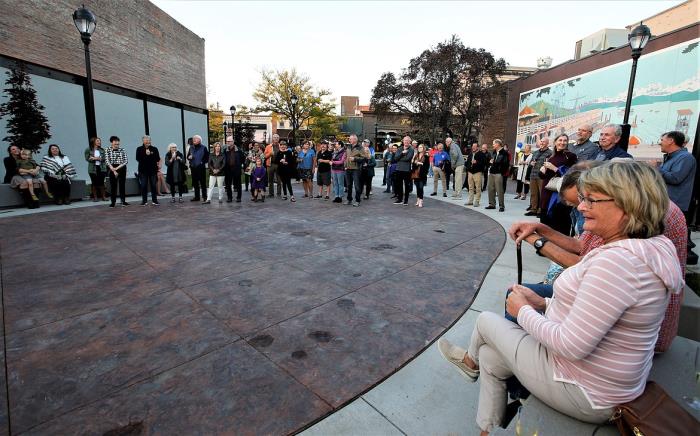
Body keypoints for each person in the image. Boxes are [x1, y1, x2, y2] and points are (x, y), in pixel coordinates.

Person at [439, 160, 684, 434]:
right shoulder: (647, 248)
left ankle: (469, 363)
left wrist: (522, 310)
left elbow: (571, 345)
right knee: (490, 357)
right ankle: (486, 428)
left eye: (591, 200)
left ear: (626, 205)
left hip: (587, 390)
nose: (581, 207)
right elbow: (598, 312)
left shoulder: (618, 262)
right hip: (604, 381)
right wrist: (543, 303)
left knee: (485, 321)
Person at [657, 130, 697, 263]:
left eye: (662, 140)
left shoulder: (686, 158)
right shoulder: (670, 156)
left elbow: (676, 178)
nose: (659, 143)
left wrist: (657, 169)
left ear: (671, 141)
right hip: (666, 203)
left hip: (676, 205)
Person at [538, 134, 577, 232]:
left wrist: (554, 168)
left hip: (558, 195)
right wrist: (542, 171)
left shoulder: (570, 156)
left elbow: (571, 176)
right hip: (546, 192)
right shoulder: (550, 156)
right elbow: (543, 176)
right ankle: (543, 245)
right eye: (560, 140)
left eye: (565, 141)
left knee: (558, 226)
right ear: (555, 142)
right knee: (544, 223)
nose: (562, 143)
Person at [525, 137, 552, 216]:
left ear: (547, 143)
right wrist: (531, 163)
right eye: (541, 141)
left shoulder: (550, 153)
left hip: (542, 176)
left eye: (544, 142)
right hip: (533, 175)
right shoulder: (535, 152)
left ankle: (540, 210)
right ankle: (533, 209)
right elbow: (530, 163)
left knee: (542, 194)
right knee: (533, 193)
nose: (542, 143)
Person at [135, 136, 161, 206]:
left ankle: (154, 200)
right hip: (143, 171)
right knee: (143, 185)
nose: (147, 142)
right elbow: (138, 158)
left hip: (153, 170)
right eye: (146, 140)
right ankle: (144, 201)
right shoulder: (139, 149)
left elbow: (157, 158)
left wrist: (150, 155)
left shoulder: (154, 149)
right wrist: (145, 154)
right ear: (143, 141)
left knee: (153, 185)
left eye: (149, 140)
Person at [485, 139, 509, 212]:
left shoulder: (504, 153)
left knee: (499, 190)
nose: (493, 145)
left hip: (499, 173)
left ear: (498, 144)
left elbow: (506, 165)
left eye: (493, 144)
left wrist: (501, 172)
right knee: (490, 189)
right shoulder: (494, 152)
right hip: (491, 172)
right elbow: (491, 161)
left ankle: (501, 206)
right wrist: (490, 163)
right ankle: (492, 204)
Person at [105, 136, 129, 207]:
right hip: (112, 167)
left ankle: (123, 201)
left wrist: (117, 168)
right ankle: (113, 202)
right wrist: (114, 170)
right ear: (111, 143)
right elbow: (107, 161)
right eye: (115, 144)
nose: (117, 145)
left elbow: (125, 161)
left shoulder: (122, 149)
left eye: (118, 144)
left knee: (122, 185)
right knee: (113, 186)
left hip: (121, 167)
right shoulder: (107, 150)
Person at [345, 134, 367, 207]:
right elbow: (346, 156)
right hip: (348, 169)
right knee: (348, 185)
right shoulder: (348, 146)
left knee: (357, 186)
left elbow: (364, 158)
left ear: (355, 140)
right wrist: (345, 165)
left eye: (351, 139)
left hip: (356, 169)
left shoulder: (360, 147)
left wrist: (355, 159)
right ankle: (349, 199)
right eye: (349, 139)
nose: (349, 140)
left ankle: (357, 200)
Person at [392, 136, 415, 205]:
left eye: (408, 140)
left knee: (407, 185)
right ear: (403, 141)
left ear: (410, 142)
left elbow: (408, 158)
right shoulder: (399, 149)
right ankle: (400, 199)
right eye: (405, 140)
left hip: (406, 170)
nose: (406, 142)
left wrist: (400, 158)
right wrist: (402, 154)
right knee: (399, 185)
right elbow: (395, 158)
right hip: (398, 169)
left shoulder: (411, 149)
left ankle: (406, 200)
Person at [187, 135, 209, 202]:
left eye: (195, 139)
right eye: (193, 139)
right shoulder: (191, 147)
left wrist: (202, 162)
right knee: (195, 183)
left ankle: (205, 197)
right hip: (193, 167)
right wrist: (189, 157)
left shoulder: (204, 148)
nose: (193, 140)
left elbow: (207, 158)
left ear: (199, 140)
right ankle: (197, 197)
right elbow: (187, 156)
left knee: (203, 183)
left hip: (201, 168)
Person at [84, 137, 107, 201]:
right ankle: (95, 197)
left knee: (102, 182)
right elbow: (87, 158)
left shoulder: (102, 150)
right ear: (93, 142)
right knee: (94, 182)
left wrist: (95, 158)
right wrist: (97, 158)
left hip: (101, 168)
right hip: (92, 168)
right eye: (97, 141)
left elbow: (104, 158)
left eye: (99, 141)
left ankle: (103, 197)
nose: (99, 142)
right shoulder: (88, 149)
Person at [465, 143, 487, 207]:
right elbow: (467, 162)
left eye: (475, 146)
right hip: (470, 172)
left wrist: (476, 162)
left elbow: (484, 163)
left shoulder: (481, 154)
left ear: (478, 147)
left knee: (478, 187)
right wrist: (468, 168)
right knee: (470, 187)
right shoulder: (471, 153)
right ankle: (470, 200)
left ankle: (477, 201)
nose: (473, 147)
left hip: (477, 172)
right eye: (472, 146)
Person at [223, 138, 245, 203]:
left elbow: (243, 159)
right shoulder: (225, 150)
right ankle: (229, 198)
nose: (228, 142)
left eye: (229, 141)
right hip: (228, 169)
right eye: (227, 141)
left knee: (238, 184)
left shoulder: (239, 150)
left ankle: (239, 197)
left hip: (236, 169)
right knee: (228, 185)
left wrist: (242, 167)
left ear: (233, 142)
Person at [412, 143, 430, 207]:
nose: (420, 148)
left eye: (421, 147)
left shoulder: (426, 156)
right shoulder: (416, 156)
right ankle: (418, 199)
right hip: (416, 174)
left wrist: (421, 164)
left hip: (422, 174)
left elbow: (427, 166)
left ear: (423, 148)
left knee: (421, 187)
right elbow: (413, 165)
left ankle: (421, 201)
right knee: (417, 187)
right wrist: (416, 163)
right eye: (419, 147)